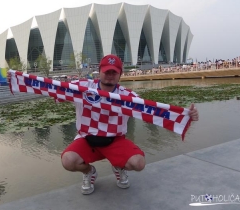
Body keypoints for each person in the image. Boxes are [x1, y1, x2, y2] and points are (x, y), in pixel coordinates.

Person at [61, 54, 199, 195]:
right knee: (68, 160)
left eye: (114, 72)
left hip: (114, 141)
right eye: (107, 71)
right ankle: (89, 172)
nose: (110, 75)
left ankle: (119, 166)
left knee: (138, 163)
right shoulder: (82, 88)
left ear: (120, 74)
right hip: (87, 139)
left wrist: (186, 115)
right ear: (99, 71)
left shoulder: (128, 96)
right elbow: (54, 90)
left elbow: (154, 111)